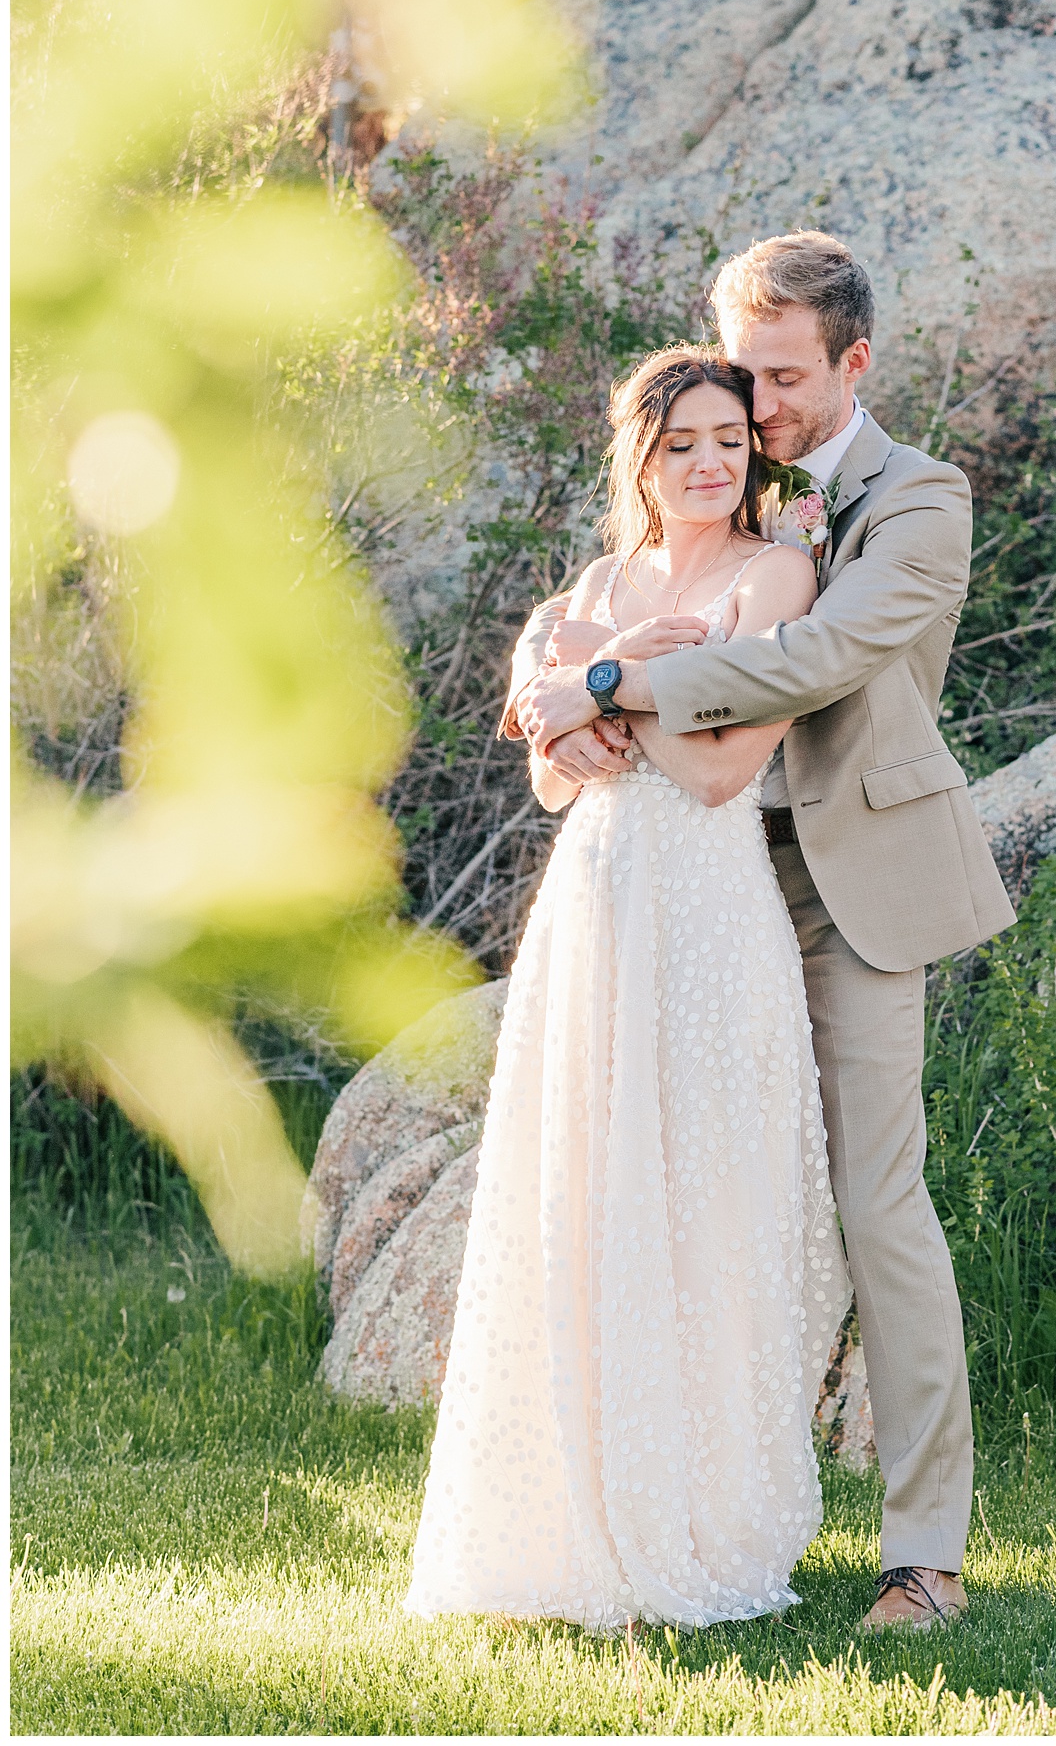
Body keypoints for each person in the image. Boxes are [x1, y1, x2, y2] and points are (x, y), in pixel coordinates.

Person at [512, 233, 1017, 1632]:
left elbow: (813, 658)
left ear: (857, 361)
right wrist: (561, 662)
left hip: (852, 889)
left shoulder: (922, 499)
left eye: (784, 377)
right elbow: (595, 601)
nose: (760, 401)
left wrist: (605, 675)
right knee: (675, 1193)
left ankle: (925, 1553)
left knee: (876, 1206)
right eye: (743, 373)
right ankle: (676, 1511)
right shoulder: (719, 471)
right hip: (694, 883)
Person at [404, 344, 851, 1632]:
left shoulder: (779, 573)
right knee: (588, 1195)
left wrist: (599, 680)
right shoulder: (599, 581)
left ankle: (707, 1509)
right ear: (640, 461)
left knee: (709, 1198)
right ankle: (576, 1509)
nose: (711, 463)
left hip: (710, 913)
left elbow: (721, 775)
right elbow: (551, 776)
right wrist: (588, 685)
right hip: (596, 906)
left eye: (728, 439)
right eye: (681, 445)